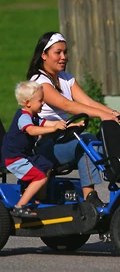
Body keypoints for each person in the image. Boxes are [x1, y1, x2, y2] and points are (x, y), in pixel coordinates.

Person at [26, 31, 120, 207]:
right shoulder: (39, 82)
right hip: (45, 144)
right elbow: (68, 105)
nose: (63, 57)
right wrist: (102, 115)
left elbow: (88, 102)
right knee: (86, 143)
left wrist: (115, 115)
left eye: (65, 52)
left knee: (93, 141)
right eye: (58, 52)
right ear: (44, 55)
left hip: (62, 139)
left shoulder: (66, 79)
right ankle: (89, 197)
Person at [2, 81, 68, 218]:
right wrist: (53, 129)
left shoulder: (33, 116)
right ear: (28, 103)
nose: (43, 103)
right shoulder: (23, 117)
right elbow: (31, 130)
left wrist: (72, 124)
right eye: (40, 100)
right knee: (40, 176)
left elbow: (49, 123)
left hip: (24, 155)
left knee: (47, 166)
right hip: (14, 158)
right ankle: (20, 206)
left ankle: (40, 198)